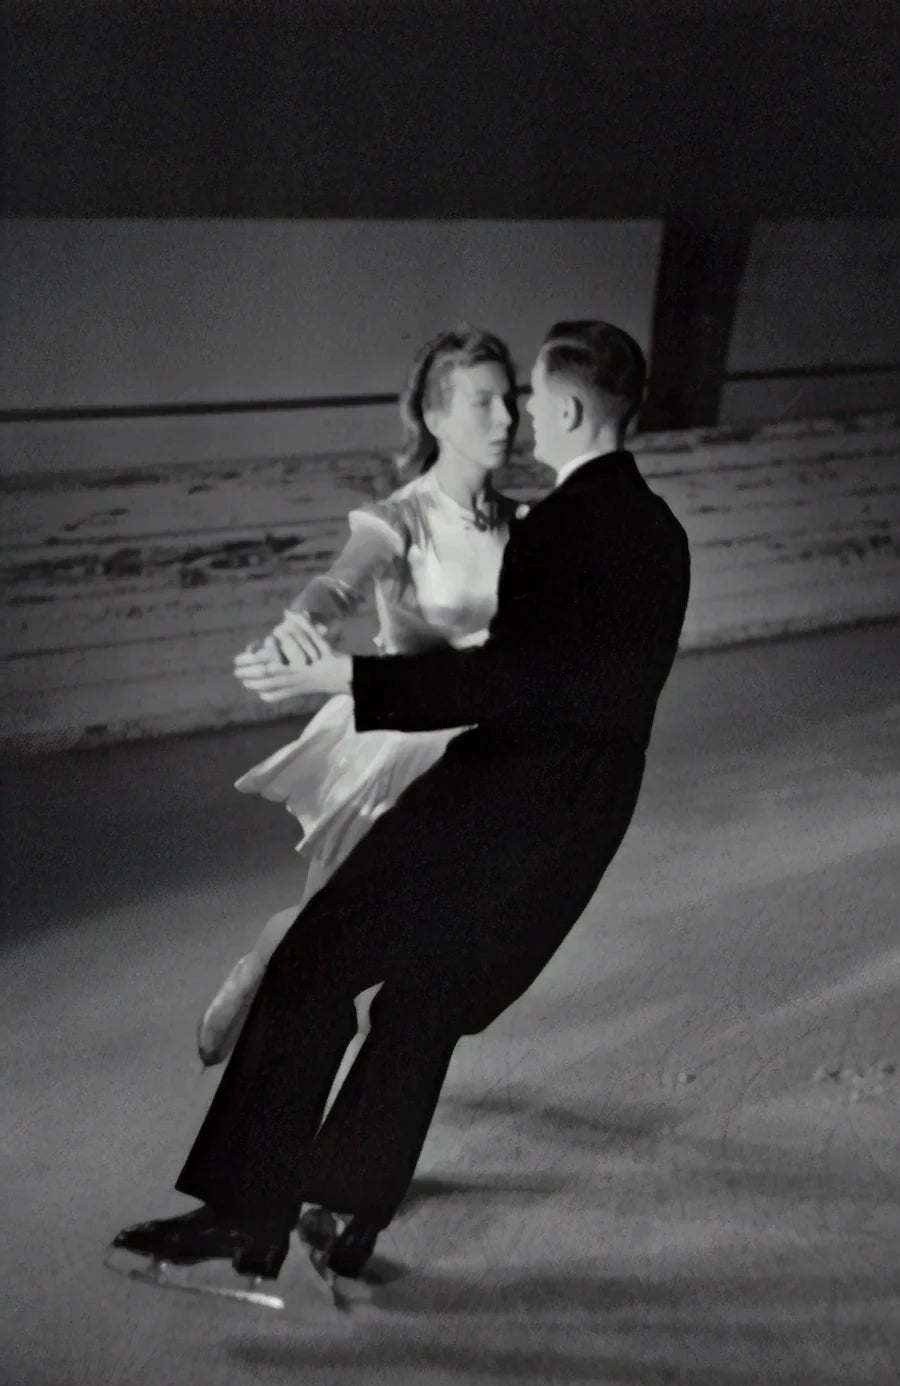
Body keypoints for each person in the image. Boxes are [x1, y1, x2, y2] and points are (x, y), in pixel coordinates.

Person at [110, 320, 691, 1306]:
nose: (515, 415)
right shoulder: (661, 532)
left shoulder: (555, 523)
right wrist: (318, 622)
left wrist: (345, 673)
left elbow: (514, 681)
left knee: (312, 963)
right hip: (579, 814)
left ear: (570, 410)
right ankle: (342, 1205)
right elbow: (363, 581)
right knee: (423, 995)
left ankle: (248, 1210)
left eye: (528, 398)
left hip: (493, 792)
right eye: (488, 399)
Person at [196, 325, 524, 1065]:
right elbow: (335, 588)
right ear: (437, 418)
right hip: (401, 737)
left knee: (439, 929)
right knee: (330, 919)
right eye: (484, 402)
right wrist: (294, 632)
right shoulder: (401, 517)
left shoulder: (523, 526)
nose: (507, 418)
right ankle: (259, 968)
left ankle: (387, 1075)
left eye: (512, 400)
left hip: (483, 746)